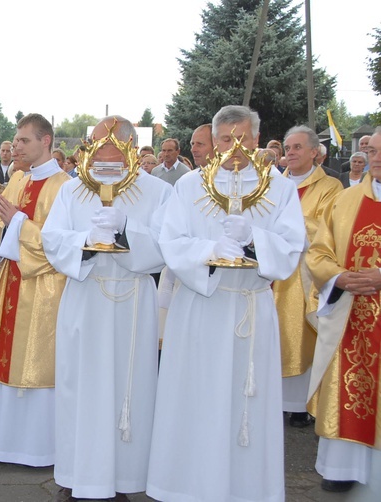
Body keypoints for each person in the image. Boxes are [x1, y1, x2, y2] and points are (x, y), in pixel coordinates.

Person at [147, 105, 305, 501]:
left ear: (256, 137)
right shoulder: (191, 186)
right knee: (195, 401)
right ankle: (189, 488)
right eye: (226, 139)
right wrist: (210, 250)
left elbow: (290, 248)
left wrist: (254, 239)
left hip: (250, 309)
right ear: (214, 140)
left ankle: (246, 490)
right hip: (200, 309)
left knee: (244, 406)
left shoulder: (279, 187)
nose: (235, 147)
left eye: (244, 138)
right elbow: (171, 242)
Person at [42, 116, 172, 500]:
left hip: (132, 302)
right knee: (79, 388)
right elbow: (52, 239)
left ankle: (125, 479)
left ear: (130, 146)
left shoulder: (155, 191)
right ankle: (78, 475)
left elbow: (167, 248)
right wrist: (86, 240)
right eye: (95, 142)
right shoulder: (74, 189)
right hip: (85, 299)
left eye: (109, 143)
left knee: (130, 388)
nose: (99, 150)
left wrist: (126, 228)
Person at [0, 113, 70, 467]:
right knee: (8, 360)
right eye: (15, 140)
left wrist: (19, 223)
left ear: (46, 141)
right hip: (12, 283)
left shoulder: (65, 187)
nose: (16, 146)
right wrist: (5, 227)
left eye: (24, 140)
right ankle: (6, 443)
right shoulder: (15, 179)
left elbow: (58, 247)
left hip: (44, 289)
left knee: (38, 363)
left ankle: (41, 448)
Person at [305, 128, 381, 493]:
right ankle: (341, 467)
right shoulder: (346, 200)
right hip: (351, 313)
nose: (375, 158)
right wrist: (340, 277)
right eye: (374, 151)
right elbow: (318, 252)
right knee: (349, 388)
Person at [272, 125, 342, 428]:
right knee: (273, 334)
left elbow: (327, 229)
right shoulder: (273, 183)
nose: (290, 152)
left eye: (298, 147)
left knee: (299, 336)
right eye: (288, 147)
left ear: (315, 152)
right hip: (273, 267)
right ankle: (274, 400)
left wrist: (289, 229)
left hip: (304, 271)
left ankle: (299, 404)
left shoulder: (330, 187)